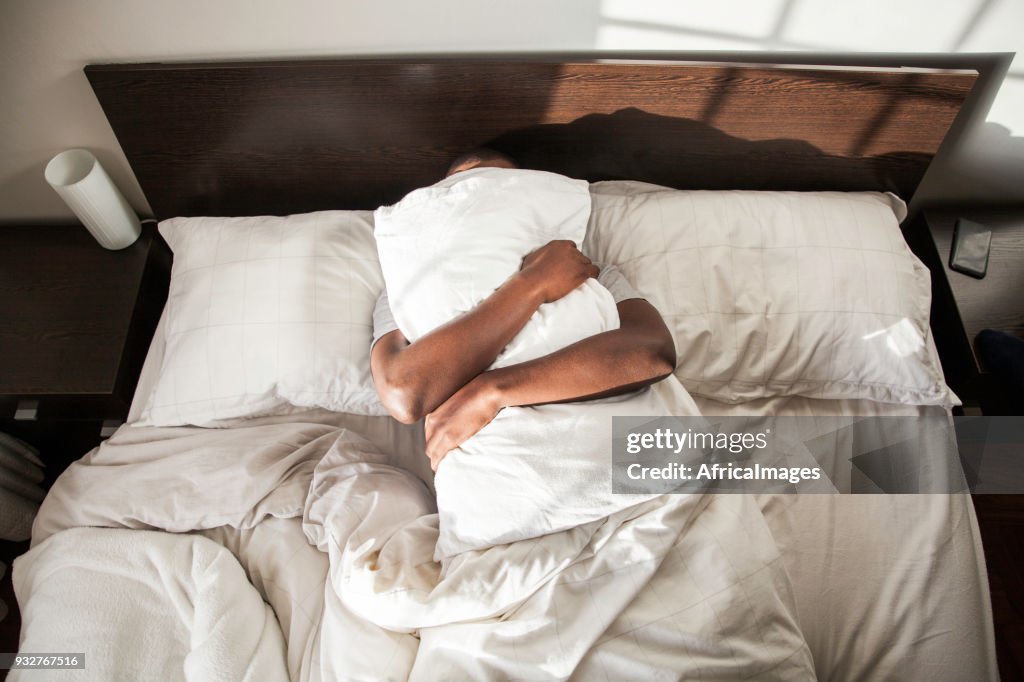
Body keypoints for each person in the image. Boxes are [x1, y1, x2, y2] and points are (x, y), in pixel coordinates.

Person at [370, 150, 677, 471]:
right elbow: (405, 395)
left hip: (632, 450)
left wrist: (490, 392)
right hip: (507, 468)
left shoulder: (587, 272)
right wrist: (532, 285)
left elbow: (653, 353)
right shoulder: (407, 289)